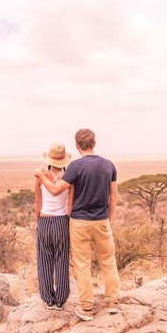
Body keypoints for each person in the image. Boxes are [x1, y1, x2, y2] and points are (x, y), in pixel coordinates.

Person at [35, 129, 121, 321]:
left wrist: (40, 176)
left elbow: (57, 189)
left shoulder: (75, 167)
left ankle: (87, 308)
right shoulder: (109, 165)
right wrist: (110, 217)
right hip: (102, 220)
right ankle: (114, 302)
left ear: (76, 145)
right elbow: (113, 195)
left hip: (79, 222)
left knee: (82, 266)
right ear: (95, 143)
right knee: (108, 261)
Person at [35, 143, 72, 310]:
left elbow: (38, 202)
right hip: (62, 222)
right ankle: (61, 299)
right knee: (61, 259)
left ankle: (48, 298)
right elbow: (70, 205)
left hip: (44, 220)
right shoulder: (69, 179)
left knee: (44, 260)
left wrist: (38, 222)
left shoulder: (41, 177)